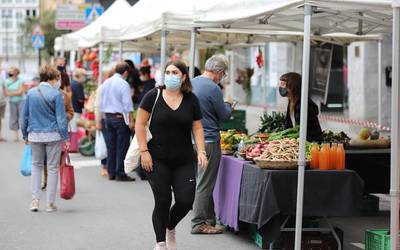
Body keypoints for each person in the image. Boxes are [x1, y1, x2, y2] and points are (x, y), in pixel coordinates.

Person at [135, 61, 208, 250]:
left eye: (175, 72)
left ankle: (170, 227)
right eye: (167, 72)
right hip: (156, 158)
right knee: (163, 200)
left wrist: (201, 151)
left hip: (183, 159)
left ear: (183, 76)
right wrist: (144, 151)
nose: (170, 75)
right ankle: (160, 242)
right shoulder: (153, 96)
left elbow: (197, 126)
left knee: (185, 201)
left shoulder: (191, 99)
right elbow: (140, 124)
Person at [191, 55, 233, 234]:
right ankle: (198, 223)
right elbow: (223, 115)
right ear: (218, 72)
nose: (222, 76)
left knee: (201, 181)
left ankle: (209, 219)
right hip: (208, 141)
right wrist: (230, 106)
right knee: (205, 184)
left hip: (191, 140)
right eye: (223, 73)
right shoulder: (213, 88)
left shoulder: (191, 83)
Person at [21, 65, 70, 212]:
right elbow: (61, 119)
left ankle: (35, 201)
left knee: (36, 166)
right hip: (53, 135)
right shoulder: (56, 95)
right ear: (50, 78)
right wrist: (66, 137)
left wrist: (25, 135)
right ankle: (50, 203)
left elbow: (25, 117)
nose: (57, 81)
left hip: (35, 135)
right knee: (53, 167)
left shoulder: (30, 93)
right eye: (56, 78)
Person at [100, 62, 135, 182]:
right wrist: (131, 121)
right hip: (119, 118)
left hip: (108, 117)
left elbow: (101, 101)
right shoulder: (123, 84)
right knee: (121, 146)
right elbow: (127, 104)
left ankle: (111, 172)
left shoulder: (106, 82)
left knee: (111, 146)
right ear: (125, 72)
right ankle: (120, 172)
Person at [279, 72, 323, 142]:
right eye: (280, 84)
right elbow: (289, 125)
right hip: (299, 141)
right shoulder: (291, 101)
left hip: (312, 143)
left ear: (292, 86)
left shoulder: (303, 104)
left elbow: (301, 128)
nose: (281, 87)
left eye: (283, 84)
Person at [4, 66, 25, 141]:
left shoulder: (21, 80)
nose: (10, 72)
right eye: (10, 71)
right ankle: (16, 136)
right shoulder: (6, 81)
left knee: (22, 118)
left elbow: (21, 92)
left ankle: (24, 136)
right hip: (12, 102)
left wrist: (11, 92)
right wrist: (16, 92)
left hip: (21, 101)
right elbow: (6, 93)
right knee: (14, 118)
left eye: (12, 71)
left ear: (16, 72)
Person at [0, 77, 6, 141]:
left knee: (0, 119)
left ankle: (0, 136)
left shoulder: (2, 78)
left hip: (2, 102)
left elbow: (4, 89)